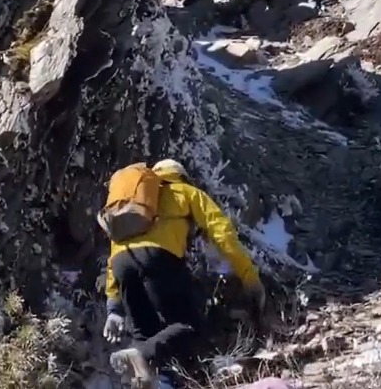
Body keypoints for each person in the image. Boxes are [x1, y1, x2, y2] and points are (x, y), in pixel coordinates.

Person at [102, 159, 265, 388]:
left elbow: (115, 252)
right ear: (181, 176)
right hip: (158, 258)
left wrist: (114, 306)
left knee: (145, 336)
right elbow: (223, 234)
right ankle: (145, 358)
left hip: (122, 264)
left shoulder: (133, 202)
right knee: (188, 325)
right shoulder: (187, 192)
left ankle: (145, 375)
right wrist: (249, 276)